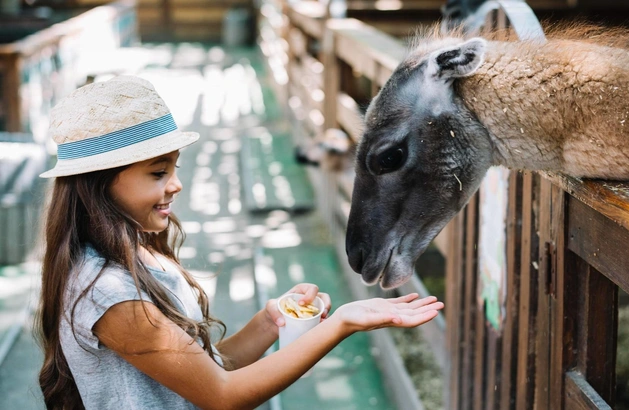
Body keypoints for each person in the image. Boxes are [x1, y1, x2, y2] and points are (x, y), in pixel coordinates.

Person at [35, 76, 444, 410]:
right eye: (157, 173)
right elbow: (221, 395)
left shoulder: (139, 250)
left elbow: (206, 370)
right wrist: (342, 323)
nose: (176, 185)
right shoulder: (110, 294)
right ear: (98, 184)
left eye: (174, 169)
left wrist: (270, 321)